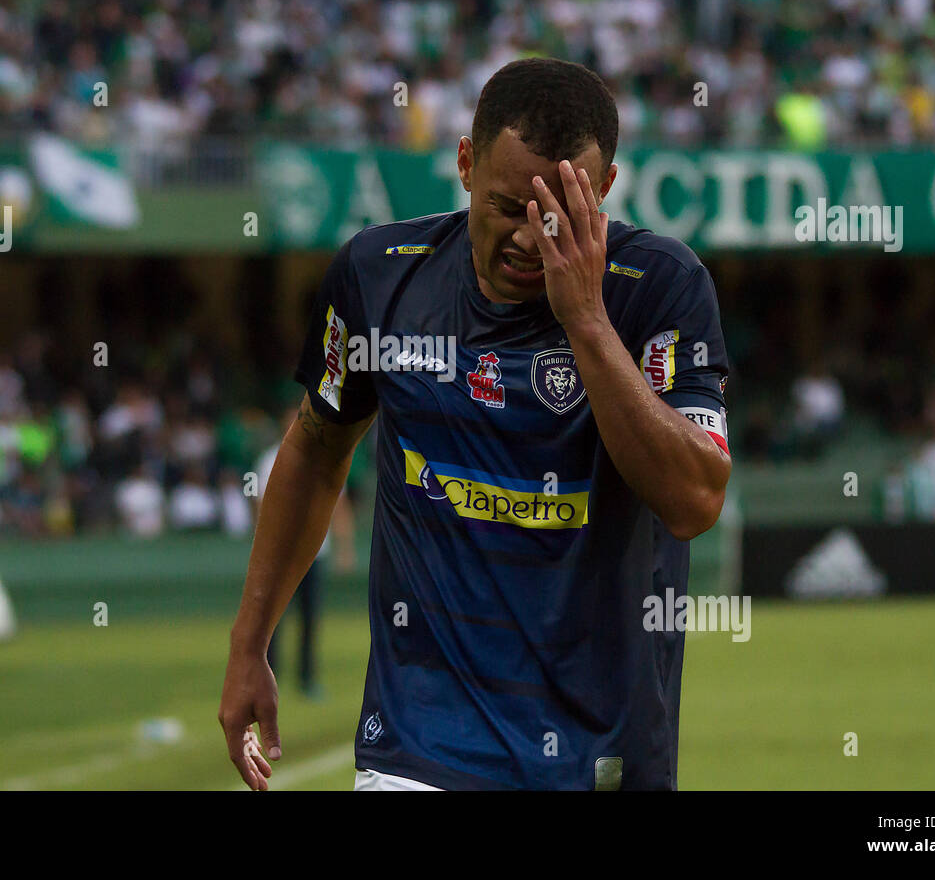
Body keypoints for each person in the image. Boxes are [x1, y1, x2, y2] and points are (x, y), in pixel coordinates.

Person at [220, 58, 732, 791]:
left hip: (605, 758)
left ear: (606, 189)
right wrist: (249, 644)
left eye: (554, 215)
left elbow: (695, 500)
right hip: (420, 748)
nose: (529, 238)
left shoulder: (658, 290)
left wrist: (585, 321)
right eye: (506, 206)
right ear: (464, 162)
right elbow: (315, 447)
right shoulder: (380, 275)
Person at [254, 404, 356, 699]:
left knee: (310, 619)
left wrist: (344, 548)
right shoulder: (269, 459)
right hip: (280, 555)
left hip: (314, 553)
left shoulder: (327, 455)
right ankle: (267, 676)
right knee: (272, 619)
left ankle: (307, 679)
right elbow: (261, 505)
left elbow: (339, 506)